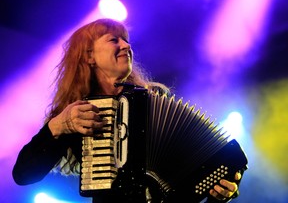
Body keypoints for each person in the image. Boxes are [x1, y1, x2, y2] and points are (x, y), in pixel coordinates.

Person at [12, 18, 244, 203]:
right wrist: (58, 126)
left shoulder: (156, 99)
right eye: (114, 40)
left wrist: (220, 191)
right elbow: (23, 174)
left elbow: (195, 166)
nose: (126, 45)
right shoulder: (76, 114)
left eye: (126, 40)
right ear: (89, 56)